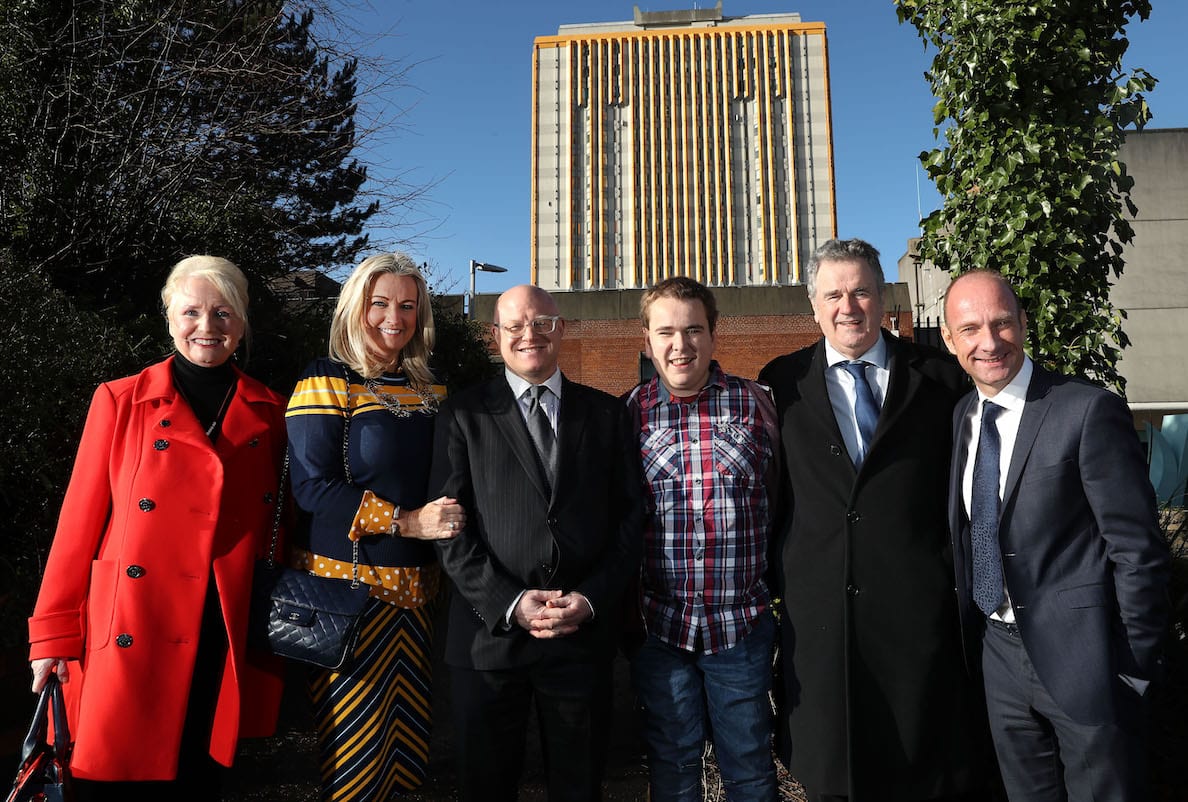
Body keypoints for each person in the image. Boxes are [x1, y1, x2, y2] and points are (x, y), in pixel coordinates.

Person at [27, 255, 286, 801]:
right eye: (192, 311)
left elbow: (278, 527)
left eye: (223, 312)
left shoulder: (270, 410)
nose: (208, 327)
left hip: (222, 623)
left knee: (199, 777)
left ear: (241, 321)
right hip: (132, 621)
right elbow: (78, 524)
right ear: (169, 318)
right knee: (114, 776)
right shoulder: (120, 400)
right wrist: (51, 636)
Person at [758, 238, 985, 801]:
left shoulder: (940, 378)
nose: (848, 306)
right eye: (833, 294)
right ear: (813, 305)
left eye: (861, 291)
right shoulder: (780, 382)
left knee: (926, 770)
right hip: (823, 624)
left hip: (917, 616)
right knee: (834, 773)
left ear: (882, 298)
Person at [940, 269, 1170, 801]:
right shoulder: (963, 416)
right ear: (950, 340)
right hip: (998, 657)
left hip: (1087, 663)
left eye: (1002, 323)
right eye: (970, 328)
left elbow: (1139, 551)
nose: (989, 341)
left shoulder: (1086, 409)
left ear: (1024, 323)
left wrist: (1132, 669)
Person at [429, 284, 643, 802]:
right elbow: (449, 530)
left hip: (579, 639)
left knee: (579, 787)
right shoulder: (462, 414)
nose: (531, 334)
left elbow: (630, 521)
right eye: (516, 325)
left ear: (561, 329)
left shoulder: (607, 415)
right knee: (486, 786)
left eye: (543, 323)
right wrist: (509, 602)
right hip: (488, 640)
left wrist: (590, 599)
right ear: (495, 336)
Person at [286, 253, 466, 801]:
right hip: (349, 596)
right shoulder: (325, 379)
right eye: (380, 302)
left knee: (407, 755)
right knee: (355, 760)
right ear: (355, 307)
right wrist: (407, 521)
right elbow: (311, 488)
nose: (395, 316)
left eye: (408, 306)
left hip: (422, 596)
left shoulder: (433, 389)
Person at [625, 277, 780, 802]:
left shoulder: (759, 405)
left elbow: (784, 499)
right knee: (671, 764)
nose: (680, 344)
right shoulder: (628, 414)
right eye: (666, 331)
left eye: (693, 329)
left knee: (751, 765)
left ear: (714, 335)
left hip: (741, 627)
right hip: (660, 629)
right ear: (646, 339)